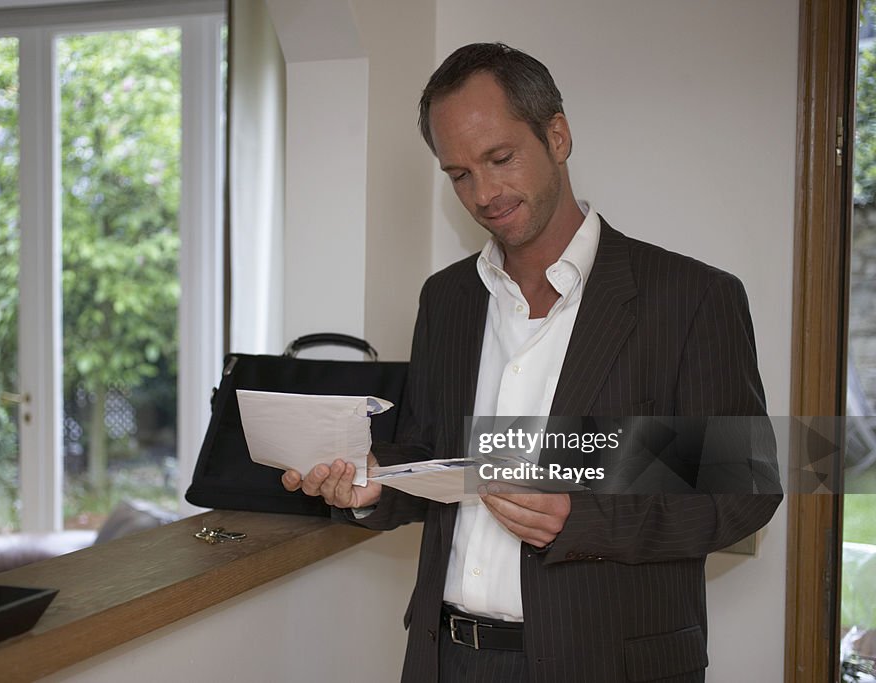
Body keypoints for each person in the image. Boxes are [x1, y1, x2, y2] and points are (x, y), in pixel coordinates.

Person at [281, 42, 781, 683]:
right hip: (445, 658)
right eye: (459, 174)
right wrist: (377, 483)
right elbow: (438, 457)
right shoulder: (447, 299)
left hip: (611, 665)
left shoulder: (693, 298)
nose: (484, 192)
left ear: (558, 135)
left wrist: (586, 519)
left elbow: (747, 492)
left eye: (500, 158)